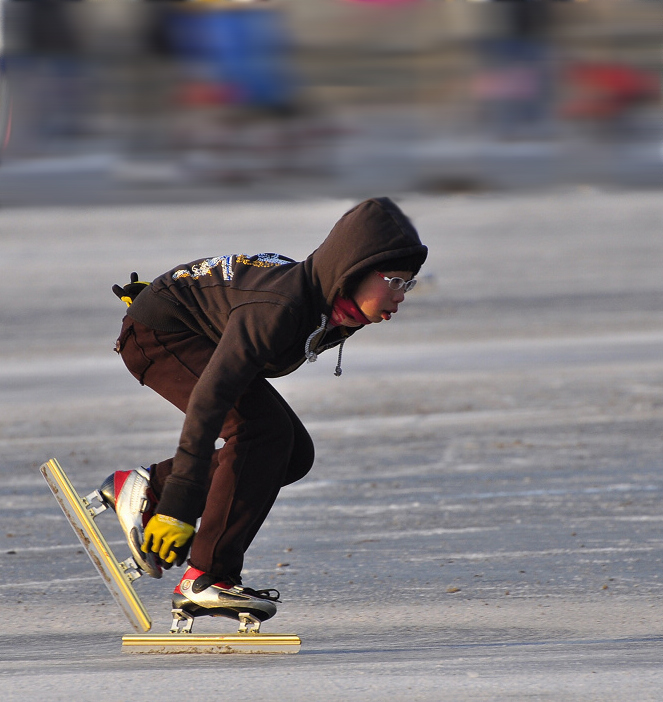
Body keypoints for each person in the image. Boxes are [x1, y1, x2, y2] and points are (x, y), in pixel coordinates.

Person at [103, 197, 427, 633]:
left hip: (184, 324)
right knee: (264, 433)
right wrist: (180, 504)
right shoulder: (283, 307)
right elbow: (210, 400)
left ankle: (147, 487)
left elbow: (229, 288)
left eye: (406, 284)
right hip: (160, 336)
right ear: (353, 269)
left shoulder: (332, 306)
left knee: (291, 455)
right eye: (393, 281)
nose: (399, 295)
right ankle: (205, 574)